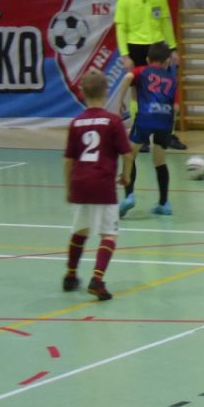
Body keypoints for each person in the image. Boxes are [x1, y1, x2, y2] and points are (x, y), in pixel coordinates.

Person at [62, 69, 132, 301]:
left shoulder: (76, 123)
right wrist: (126, 176)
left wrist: (68, 188)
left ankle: (70, 275)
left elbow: (68, 160)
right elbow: (127, 154)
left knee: (80, 230)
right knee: (109, 234)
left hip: (80, 183)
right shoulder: (113, 121)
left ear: (82, 93)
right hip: (103, 183)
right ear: (106, 91)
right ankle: (97, 279)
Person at [114, 0, 187, 151]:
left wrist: (173, 48)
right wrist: (125, 55)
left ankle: (168, 134)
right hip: (135, 47)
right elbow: (121, 28)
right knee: (137, 93)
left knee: (167, 91)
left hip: (158, 47)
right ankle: (141, 136)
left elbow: (165, 22)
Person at [117, 41, 177, 217]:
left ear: (148, 59)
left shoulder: (142, 71)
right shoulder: (172, 78)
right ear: (167, 61)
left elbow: (127, 78)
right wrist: (170, 125)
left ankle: (129, 196)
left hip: (145, 118)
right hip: (165, 120)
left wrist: (120, 102)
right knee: (160, 161)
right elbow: (176, 107)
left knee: (129, 155)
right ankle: (164, 203)